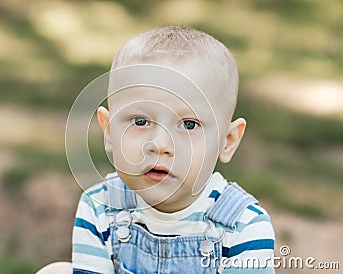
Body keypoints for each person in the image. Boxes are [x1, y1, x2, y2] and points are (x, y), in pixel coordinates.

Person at [71, 26, 275, 273]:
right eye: (140, 121)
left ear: (228, 141)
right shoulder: (100, 208)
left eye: (189, 125)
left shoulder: (243, 226)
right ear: (110, 132)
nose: (160, 145)